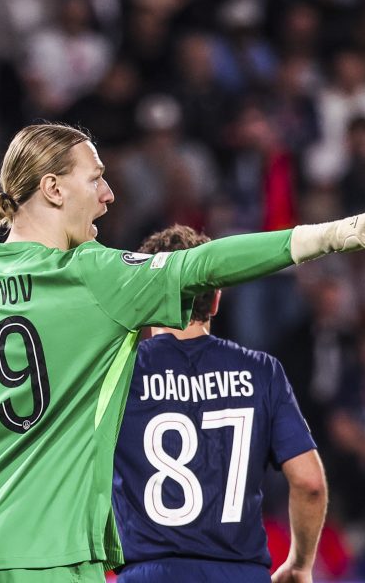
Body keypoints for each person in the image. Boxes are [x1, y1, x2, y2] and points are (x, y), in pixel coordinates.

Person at [0, 123, 365, 583]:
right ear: (54, 188)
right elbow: (205, 265)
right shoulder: (90, 275)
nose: (108, 195)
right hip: (51, 557)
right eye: (97, 178)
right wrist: (335, 234)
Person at [111, 225, 326, 583]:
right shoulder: (262, 371)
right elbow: (309, 483)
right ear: (215, 299)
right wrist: (300, 563)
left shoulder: (117, 375)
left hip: (148, 574)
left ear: (146, 299)